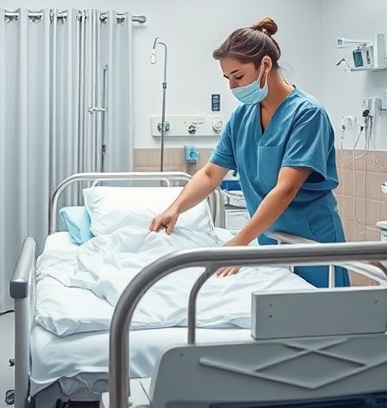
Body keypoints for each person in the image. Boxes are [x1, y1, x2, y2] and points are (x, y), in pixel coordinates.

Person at [149, 17, 349, 288]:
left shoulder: (307, 114)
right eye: (227, 78)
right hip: (270, 237)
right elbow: (210, 174)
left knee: (326, 317)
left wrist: (240, 242)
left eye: (238, 76)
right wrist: (175, 209)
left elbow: (286, 189)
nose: (232, 86)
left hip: (312, 239)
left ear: (265, 65)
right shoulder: (242, 117)